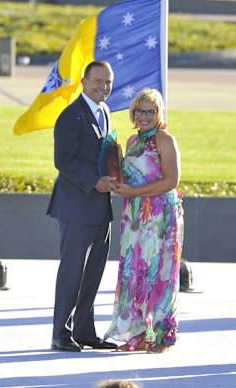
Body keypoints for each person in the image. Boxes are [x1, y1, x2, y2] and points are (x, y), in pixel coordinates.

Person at [105, 88, 184, 353]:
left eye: (150, 111)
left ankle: (163, 336)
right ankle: (136, 335)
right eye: (139, 111)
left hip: (161, 215)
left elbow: (170, 182)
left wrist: (133, 192)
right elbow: (130, 179)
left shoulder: (165, 140)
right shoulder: (131, 142)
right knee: (134, 271)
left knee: (159, 272)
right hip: (135, 216)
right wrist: (115, 175)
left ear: (158, 113)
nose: (143, 116)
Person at [48, 60, 118, 352]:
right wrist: (94, 182)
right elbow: (63, 161)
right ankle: (61, 334)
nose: (103, 87)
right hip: (77, 206)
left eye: (108, 82)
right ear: (84, 82)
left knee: (93, 273)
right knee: (72, 272)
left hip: (101, 207)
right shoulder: (71, 116)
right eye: (98, 81)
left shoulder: (104, 112)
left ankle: (85, 331)